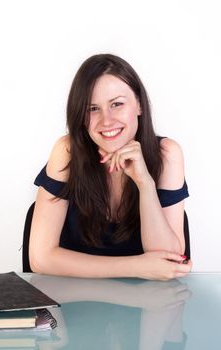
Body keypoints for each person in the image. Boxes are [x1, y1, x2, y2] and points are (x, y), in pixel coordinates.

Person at [29, 54, 192, 280]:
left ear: (139, 105)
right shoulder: (67, 151)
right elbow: (40, 258)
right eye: (93, 108)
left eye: (117, 104)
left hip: (148, 303)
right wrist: (138, 267)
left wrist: (145, 183)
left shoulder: (167, 154)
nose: (106, 120)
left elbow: (169, 263)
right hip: (77, 301)